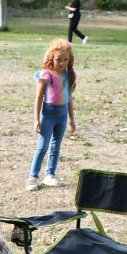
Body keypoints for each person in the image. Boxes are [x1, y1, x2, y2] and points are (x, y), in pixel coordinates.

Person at [27, 39, 76, 191]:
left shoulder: (68, 75)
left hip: (62, 116)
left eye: (65, 60)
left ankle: (50, 175)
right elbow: (38, 98)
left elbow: (69, 98)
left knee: (56, 146)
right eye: (58, 59)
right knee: (42, 147)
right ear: (51, 57)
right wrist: (36, 119)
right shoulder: (46, 75)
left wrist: (71, 119)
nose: (62, 63)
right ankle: (33, 177)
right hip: (48, 115)